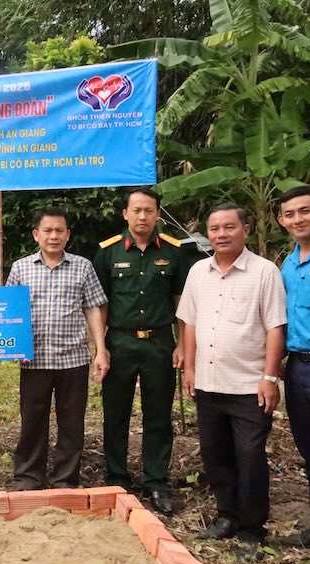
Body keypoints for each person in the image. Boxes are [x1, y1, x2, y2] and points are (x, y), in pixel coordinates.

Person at [177, 203, 286, 560]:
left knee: (250, 455)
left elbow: (275, 326)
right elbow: (189, 322)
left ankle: (253, 528)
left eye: (229, 227)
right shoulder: (198, 271)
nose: (221, 234)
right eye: (214, 228)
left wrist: (270, 377)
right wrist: (189, 368)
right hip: (209, 382)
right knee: (215, 453)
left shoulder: (264, 272)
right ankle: (227, 515)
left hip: (249, 385)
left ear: (246, 230)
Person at [93, 187, 187, 515]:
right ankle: (117, 476)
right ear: (125, 214)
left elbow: (181, 305)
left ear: (158, 214)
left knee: (159, 413)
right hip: (120, 341)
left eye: (149, 210)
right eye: (136, 210)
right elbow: (99, 305)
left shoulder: (175, 252)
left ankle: (156, 480)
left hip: (160, 342)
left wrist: (182, 344)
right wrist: (100, 347)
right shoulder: (108, 252)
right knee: (115, 412)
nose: (143, 216)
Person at [6, 207, 109, 490]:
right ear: (36, 234)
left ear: (68, 235)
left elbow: (93, 308)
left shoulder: (83, 266)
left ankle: (65, 477)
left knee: (72, 422)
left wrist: (101, 349)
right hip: (34, 359)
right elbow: (9, 311)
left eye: (59, 231)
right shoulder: (21, 267)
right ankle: (28, 476)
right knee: (32, 421)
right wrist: (10, 345)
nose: (53, 236)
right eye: (47, 231)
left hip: (73, 359)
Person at [276, 186, 310, 550]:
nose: (298, 219)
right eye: (290, 214)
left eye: (304, 211)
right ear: (281, 220)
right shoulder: (288, 265)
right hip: (297, 369)